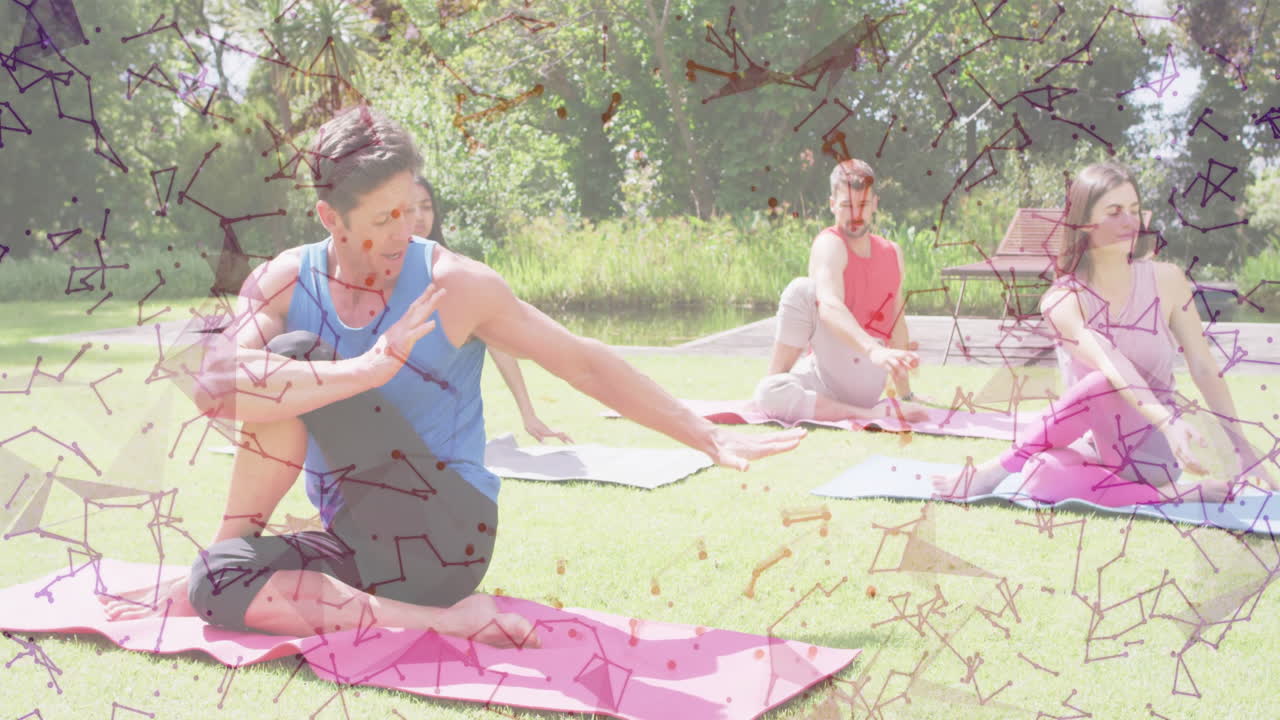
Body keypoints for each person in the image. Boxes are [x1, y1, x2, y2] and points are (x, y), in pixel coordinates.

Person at [100, 106, 805, 647]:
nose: (403, 229)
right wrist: (367, 368)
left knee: (294, 355)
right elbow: (217, 382)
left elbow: (581, 359)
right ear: (329, 217)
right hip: (359, 544)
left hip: (446, 536)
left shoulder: (455, 285)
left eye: (410, 209)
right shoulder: (286, 278)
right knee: (219, 580)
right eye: (383, 217)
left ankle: (432, 604)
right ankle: (439, 622)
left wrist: (704, 434)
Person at [932, 162, 1274, 504]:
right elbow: (1109, 360)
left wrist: (1242, 449)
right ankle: (1173, 494)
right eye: (1114, 212)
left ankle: (995, 470)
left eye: (1134, 210)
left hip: (1152, 444)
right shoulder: (1062, 299)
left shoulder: (1167, 279)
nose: (1130, 221)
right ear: (1083, 223)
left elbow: (1203, 366)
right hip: (1095, 444)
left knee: (1100, 383)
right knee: (1040, 474)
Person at [754, 158, 929, 425]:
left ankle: (861, 412)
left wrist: (905, 393)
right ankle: (856, 411)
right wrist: (876, 353)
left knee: (800, 289)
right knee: (769, 393)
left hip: (864, 368)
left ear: (874, 204)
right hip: (827, 372)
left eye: (863, 205)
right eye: (847, 205)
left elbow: (897, 323)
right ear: (832, 204)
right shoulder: (831, 244)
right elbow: (830, 305)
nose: (856, 215)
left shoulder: (892, 252)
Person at [409, 175, 570, 443]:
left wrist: (528, 414)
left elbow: (499, 344)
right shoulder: (377, 279)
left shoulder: (458, 274)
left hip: (453, 435)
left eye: (426, 207)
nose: (419, 216)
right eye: (408, 208)